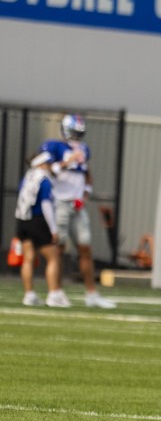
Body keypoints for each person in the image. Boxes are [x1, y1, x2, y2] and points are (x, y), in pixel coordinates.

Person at [39, 114, 117, 309]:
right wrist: (66, 162)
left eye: (79, 133)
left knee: (85, 249)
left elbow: (87, 175)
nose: (76, 137)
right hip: (59, 203)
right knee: (58, 250)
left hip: (77, 206)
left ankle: (92, 294)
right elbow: (43, 169)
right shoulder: (54, 147)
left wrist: (85, 195)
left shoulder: (84, 149)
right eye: (74, 132)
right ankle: (55, 292)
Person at [15, 152, 71, 308]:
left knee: (28, 258)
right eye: (47, 163)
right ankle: (54, 294)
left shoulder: (27, 177)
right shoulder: (44, 179)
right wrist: (53, 229)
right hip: (38, 221)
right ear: (41, 164)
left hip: (22, 220)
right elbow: (46, 204)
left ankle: (29, 294)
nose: (49, 166)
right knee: (54, 258)